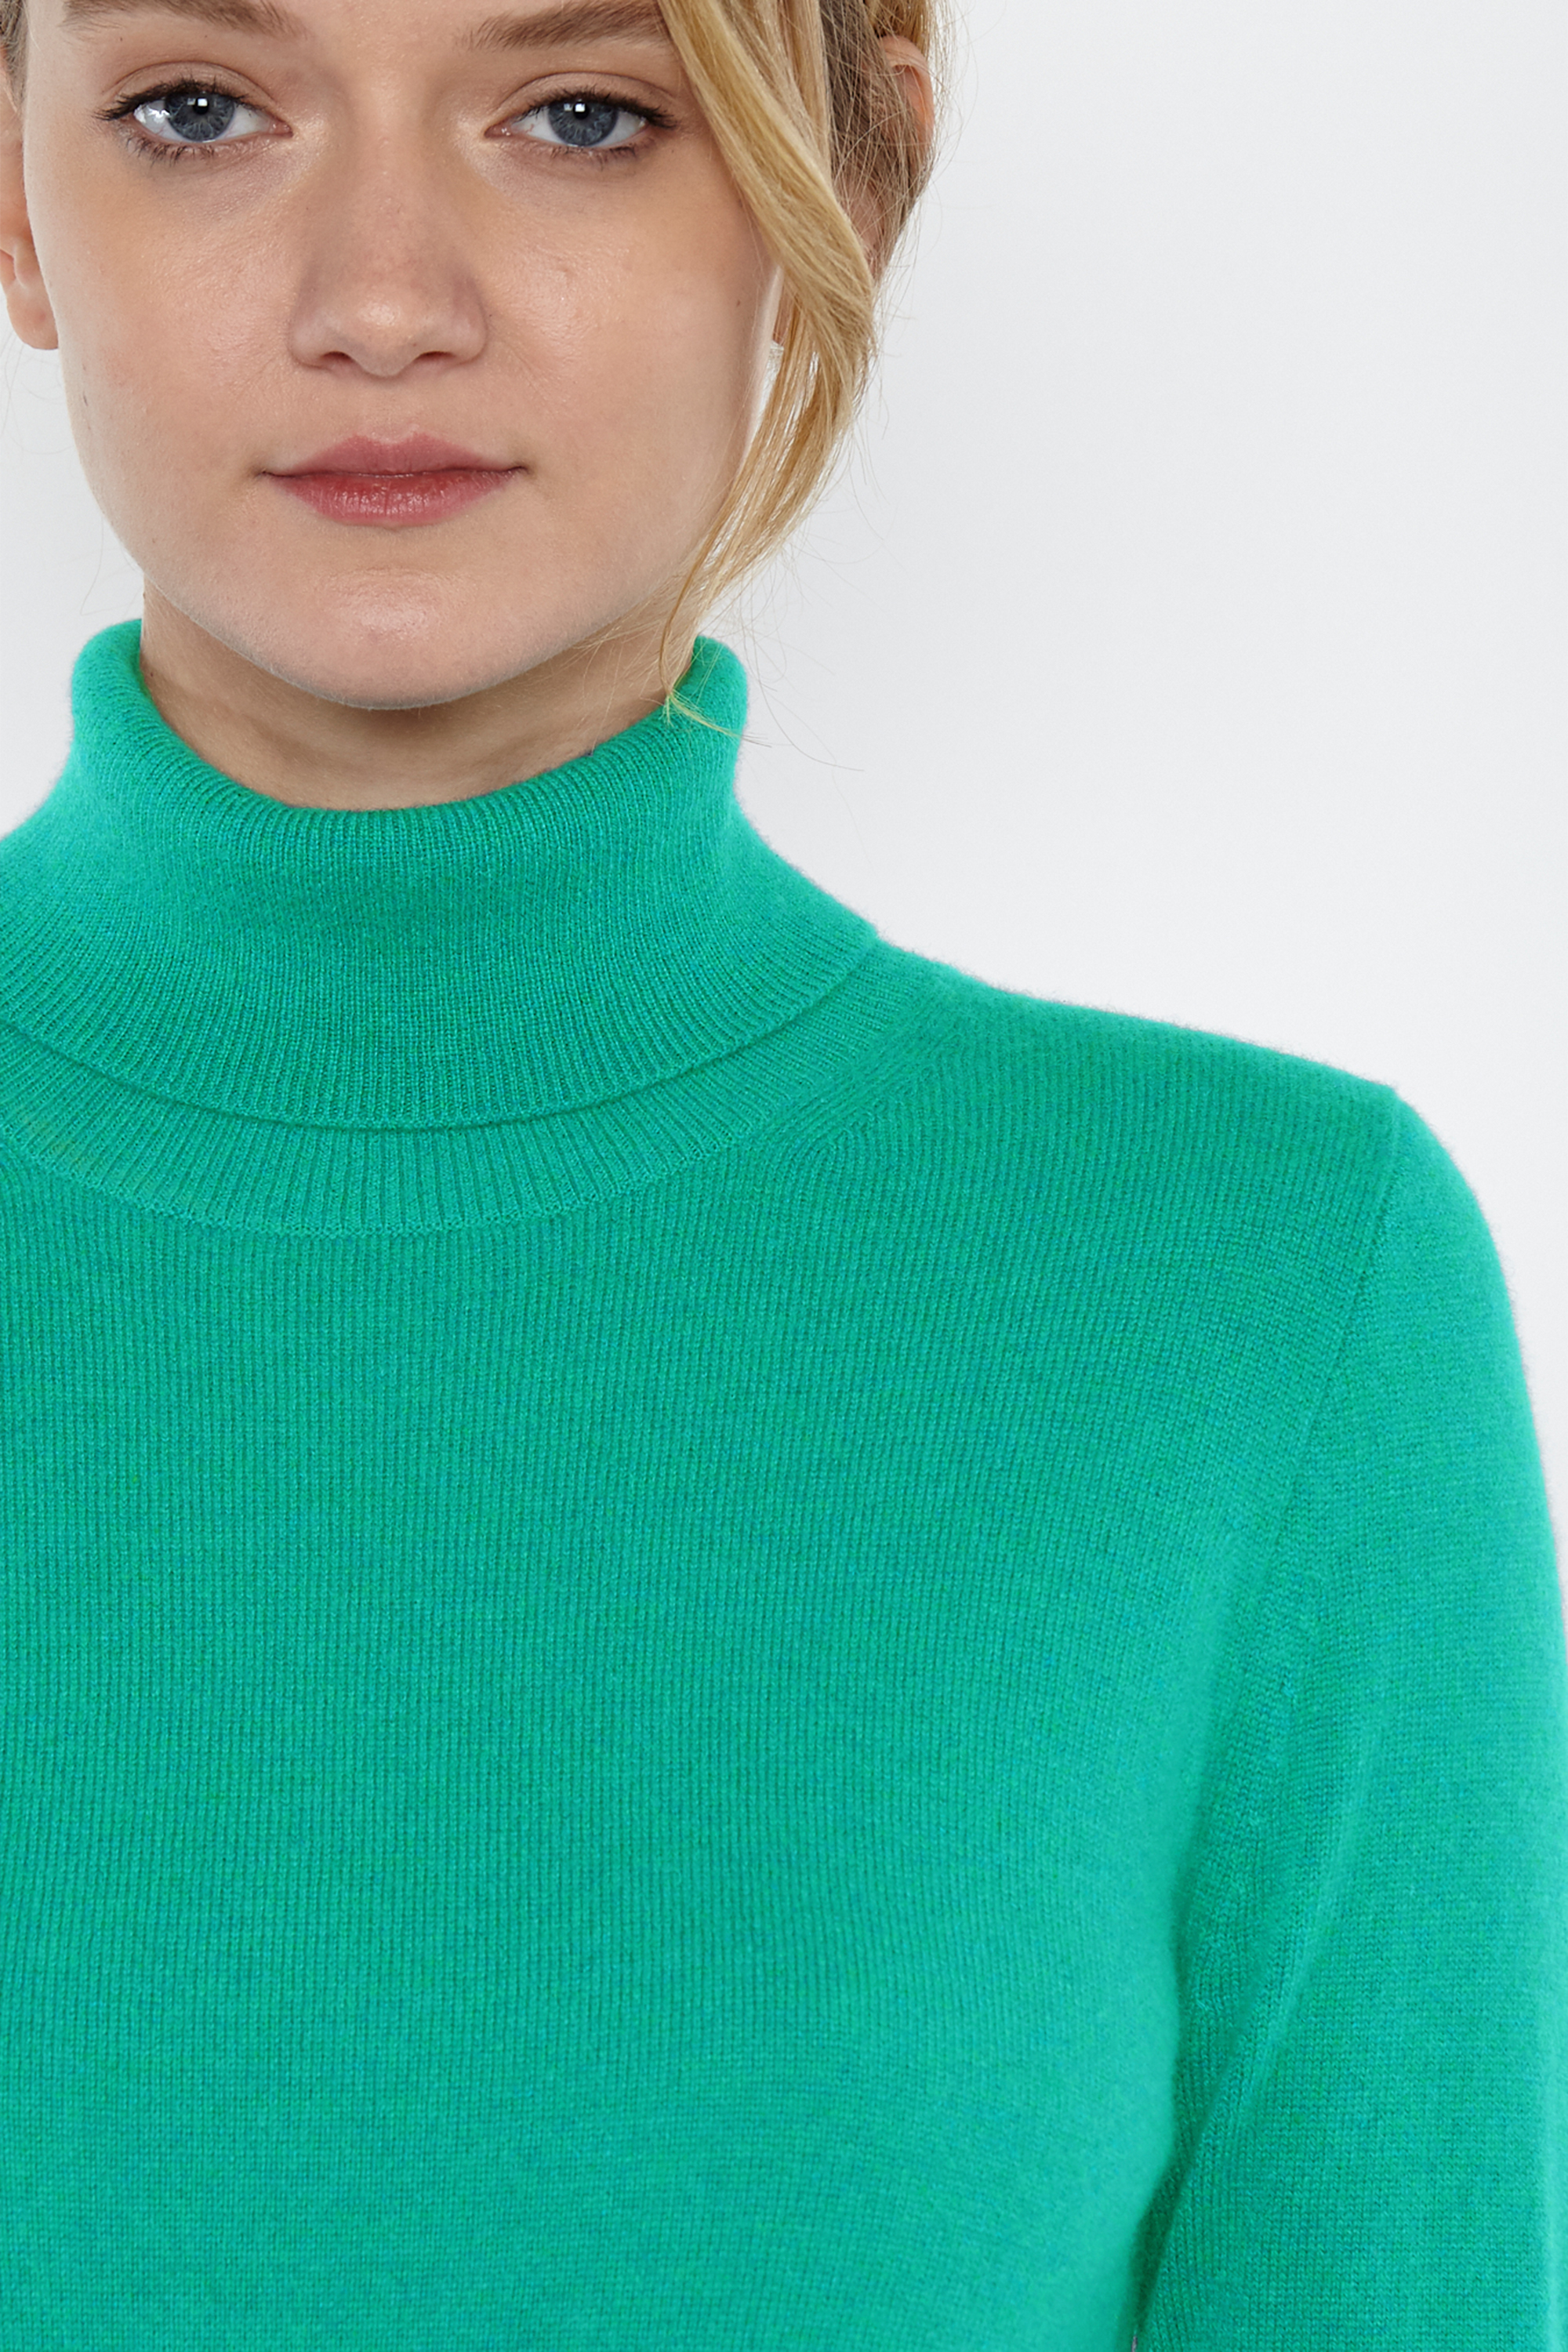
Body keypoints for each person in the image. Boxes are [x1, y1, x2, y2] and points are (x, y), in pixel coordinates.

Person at [0, 0, 1562, 2342]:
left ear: (857, 169)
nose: (384, 297)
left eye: (581, 113)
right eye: (201, 110)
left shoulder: (1262, 1293)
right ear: (16, 193)